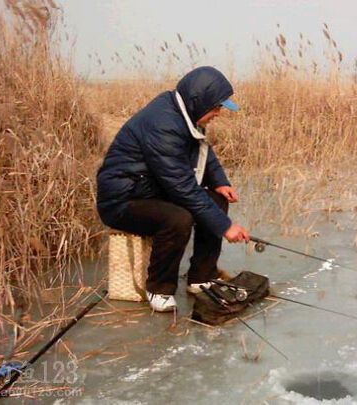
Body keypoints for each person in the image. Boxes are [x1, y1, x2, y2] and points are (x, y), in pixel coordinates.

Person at [96, 66, 250, 312]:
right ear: (199, 102)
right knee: (178, 218)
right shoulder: (163, 125)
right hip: (123, 200)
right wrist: (225, 226)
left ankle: (201, 277)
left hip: (150, 189)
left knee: (217, 201)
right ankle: (159, 289)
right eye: (216, 107)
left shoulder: (184, 112)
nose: (218, 113)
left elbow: (203, 150)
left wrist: (220, 182)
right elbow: (182, 188)